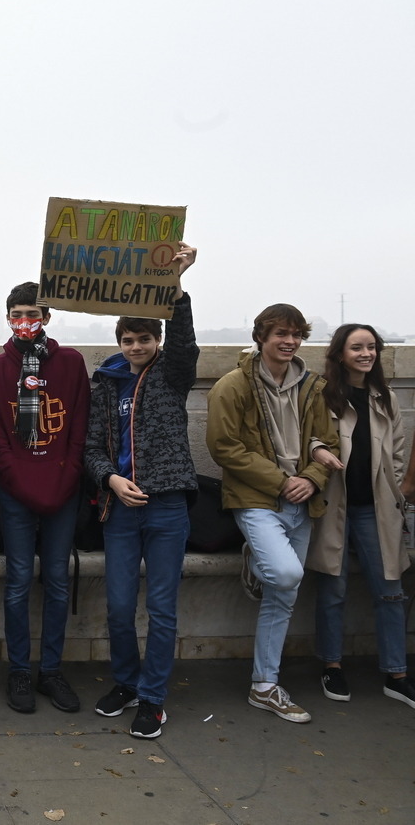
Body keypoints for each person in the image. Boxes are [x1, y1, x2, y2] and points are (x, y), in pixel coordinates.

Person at [84, 245, 198, 738]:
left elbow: (186, 343)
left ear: (157, 339)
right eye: (129, 340)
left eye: (145, 339)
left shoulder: (172, 375)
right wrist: (110, 478)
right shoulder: (106, 384)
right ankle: (127, 683)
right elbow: (91, 448)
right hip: (120, 507)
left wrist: (176, 283)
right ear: (119, 341)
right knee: (117, 605)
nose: (136, 347)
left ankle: (152, 698)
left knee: (163, 607)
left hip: (167, 505)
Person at [206, 303, 338, 723]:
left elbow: (329, 441)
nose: (290, 341)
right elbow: (224, 447)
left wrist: (314, 477)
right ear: (260, 336)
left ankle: (264, 685)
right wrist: (281, 482)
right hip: (257, 499)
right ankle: (258, 557)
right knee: (283, 574)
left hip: (303, 500)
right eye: (280, 333)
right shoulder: (232, 386)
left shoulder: (312, 386)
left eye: (297, 334)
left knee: (283, 598)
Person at [0, 281, 90, 714]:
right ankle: (19, 673)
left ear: (47, 317)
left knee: (59, 582)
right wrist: (17, 479)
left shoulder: (70, 363)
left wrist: (69, 477)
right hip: (16, 492)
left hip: (62, 487)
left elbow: (79, 426)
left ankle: (51, 670)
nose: (25, 321)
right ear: (8, 317)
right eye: (17, 314)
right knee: (18, 582)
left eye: (33, 314)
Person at [306, 324, 415, 709]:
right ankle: (332, 666)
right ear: (339, 353)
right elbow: (309, 437)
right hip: (334, 507)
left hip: (376, 509)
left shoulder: (385, 397)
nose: (366, 354)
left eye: (371, 347)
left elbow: (397, 452)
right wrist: (320, 450)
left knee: (390, 591)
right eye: (357, 348)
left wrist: (395, 490)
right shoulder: (323, 394)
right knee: (332, 591)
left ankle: (396, 674)